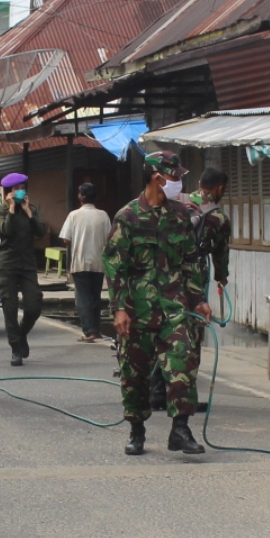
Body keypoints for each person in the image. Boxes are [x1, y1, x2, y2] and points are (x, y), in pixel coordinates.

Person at [104, 150, 211, 457]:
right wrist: (119, 308)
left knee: (183, 361)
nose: (178, 182)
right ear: (157, 178)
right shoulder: (127, 217)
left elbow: (190, 261)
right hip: (137, 306)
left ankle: (180, 429)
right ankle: (136, 430)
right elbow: (115, 265)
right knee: (134, 371)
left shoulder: (179, 215)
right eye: (174, 177)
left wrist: (199, 299)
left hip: (175, 304)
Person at [148, 166, 234, 411]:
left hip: (163, 275)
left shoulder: (177, 202)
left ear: (199, 182)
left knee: (163, 327)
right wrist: (221, 277)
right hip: (194, 275)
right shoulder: (218, 218)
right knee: (191, 336)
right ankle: (185, 396)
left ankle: (156, 392)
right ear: (219, 189)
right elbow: (221, 254)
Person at [0, 172, 45, 366]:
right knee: (10, 308)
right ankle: (16, 348)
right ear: (8, 192)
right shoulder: (0, 210)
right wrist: (12, 208)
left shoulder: (30, 208)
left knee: (34, 305)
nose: (19, 192)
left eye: (22, 188)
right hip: (8, 264)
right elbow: (6, 230)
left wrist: (29, 213)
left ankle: (22, 334)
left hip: (28, 264)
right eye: (16, 189)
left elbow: (40, 233)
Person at [58, 183, 112, 342]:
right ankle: (96, 328)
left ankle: (89, 331)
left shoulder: (74, 215)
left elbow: (66, 239)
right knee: (95, 297)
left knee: (83, 298)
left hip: (80, 262)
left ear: (81, 197)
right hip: (98, 262)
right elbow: (110, 239)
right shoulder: (103, 215)